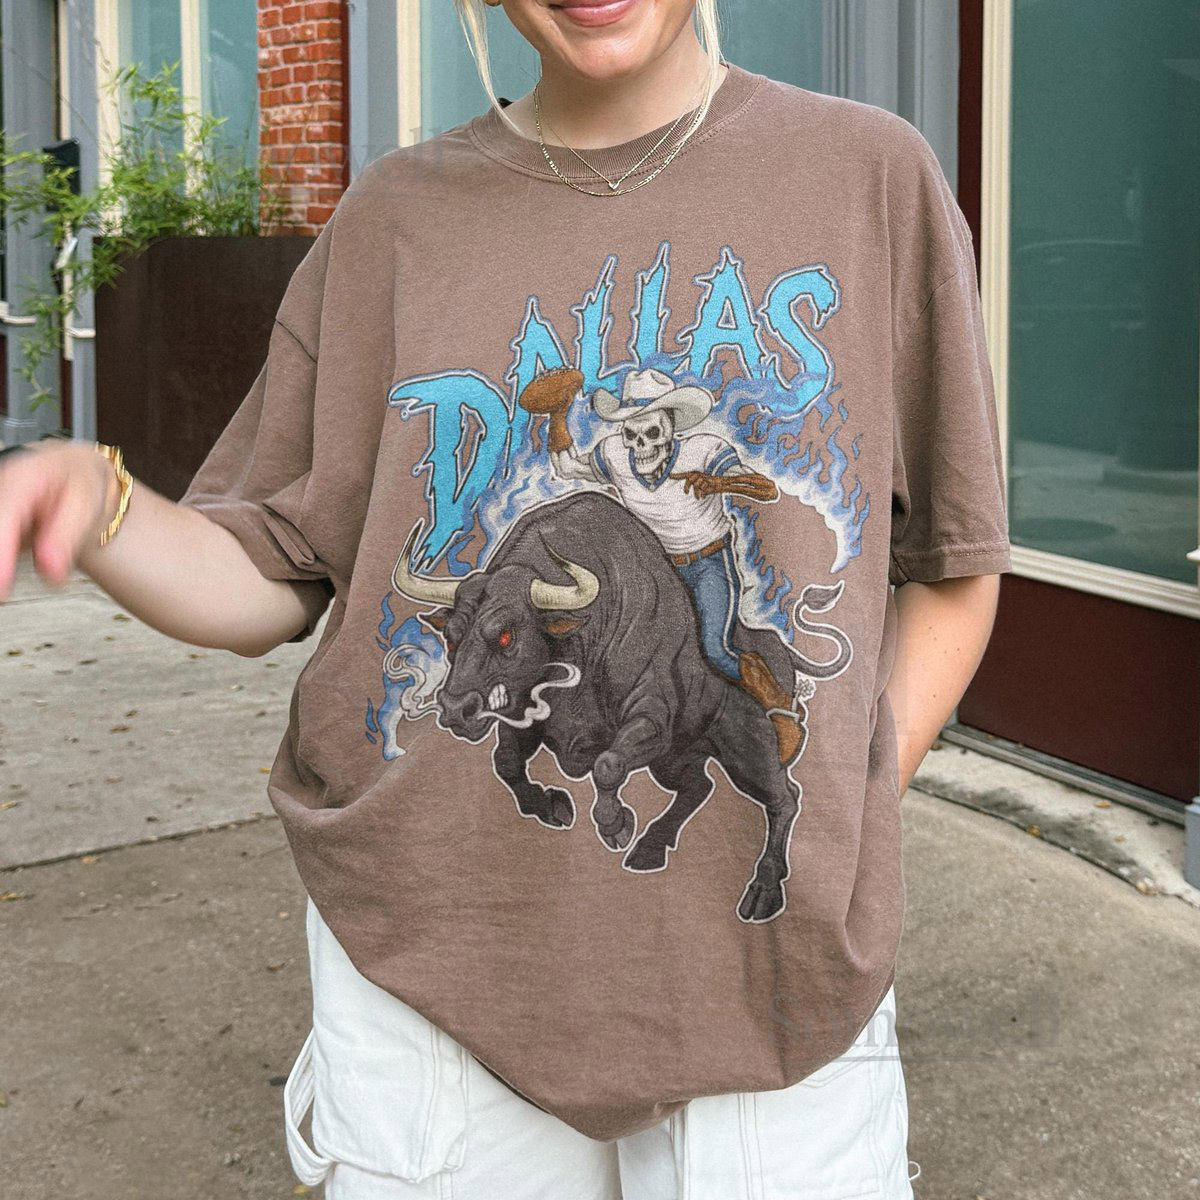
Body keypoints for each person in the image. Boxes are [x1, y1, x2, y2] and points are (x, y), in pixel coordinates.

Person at [0, 0, 1011, 1195]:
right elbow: (273, 565)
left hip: (772, 976)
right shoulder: (392, 219)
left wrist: (850, 804)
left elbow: (955, 565)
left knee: (711, 640)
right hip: (431, 971)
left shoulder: (868, 176)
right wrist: (100, 501)